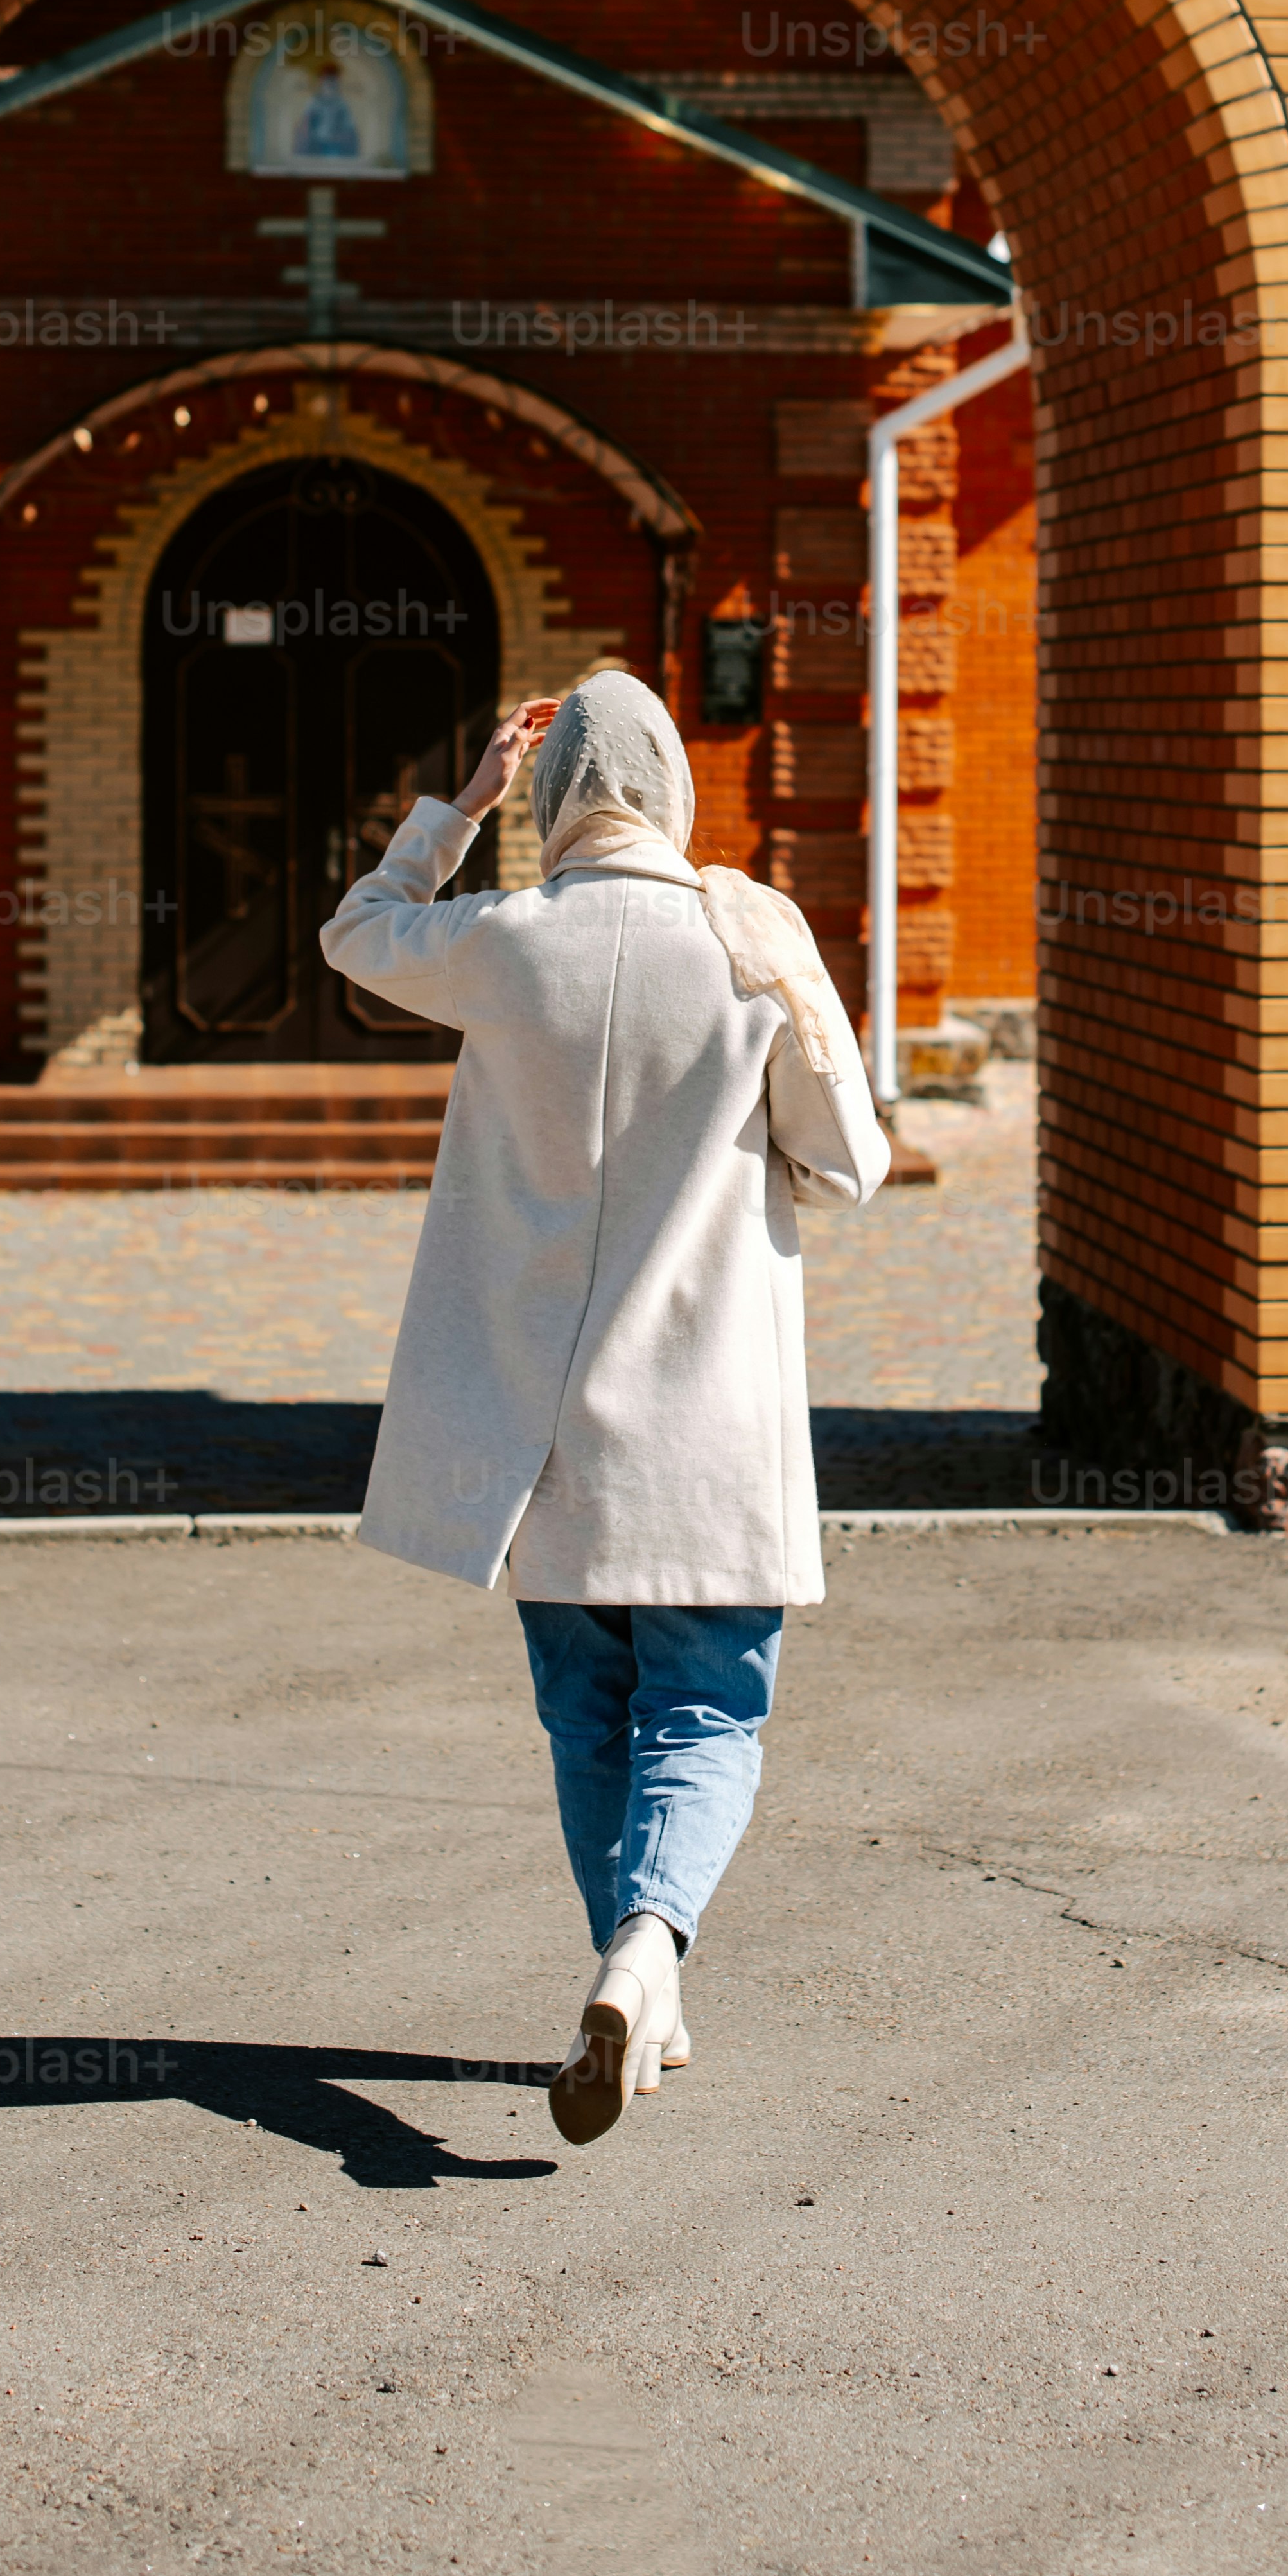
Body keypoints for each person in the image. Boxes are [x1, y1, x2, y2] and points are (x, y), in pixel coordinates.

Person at [319, 667, 892, 2144]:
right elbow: (846, 1165)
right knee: (704, 1709)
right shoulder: (746, 936)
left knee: (587, 1710)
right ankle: (648, 1955)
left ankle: (637, 1972)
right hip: (707, 1423)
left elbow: (355, 933)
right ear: (675, 783)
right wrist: (797, 1000)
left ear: (560, 792)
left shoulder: (505, 940)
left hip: (538, 1431)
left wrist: (459, 802)